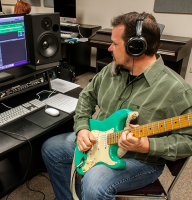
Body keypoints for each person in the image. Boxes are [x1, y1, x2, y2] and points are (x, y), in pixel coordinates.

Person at [41, 11, 192, 200]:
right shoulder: (109, 71)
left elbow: (189, 140)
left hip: (140, 160)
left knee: (94, 183)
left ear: (136, 47)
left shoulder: (177, 90)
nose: (110, 48)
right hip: (100, 141)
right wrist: (82, 129)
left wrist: (148, 145)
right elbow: (86, 97)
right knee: (51, 148)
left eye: (115, 43)